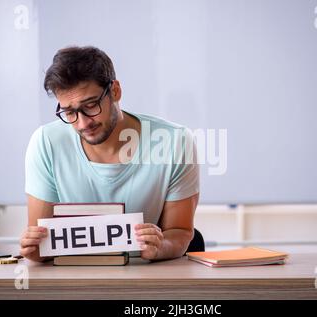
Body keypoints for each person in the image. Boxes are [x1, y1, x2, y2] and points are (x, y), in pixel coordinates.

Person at [20, 46, 200, 262]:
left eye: (91, 105)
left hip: (144, 281)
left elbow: (179, 232)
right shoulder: (46, 143)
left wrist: (161, 247)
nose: (83, 122)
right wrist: (36, 250)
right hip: (75, 283)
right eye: (69, 112)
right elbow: (43, 244)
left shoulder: (174, 142)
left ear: (115, 91)